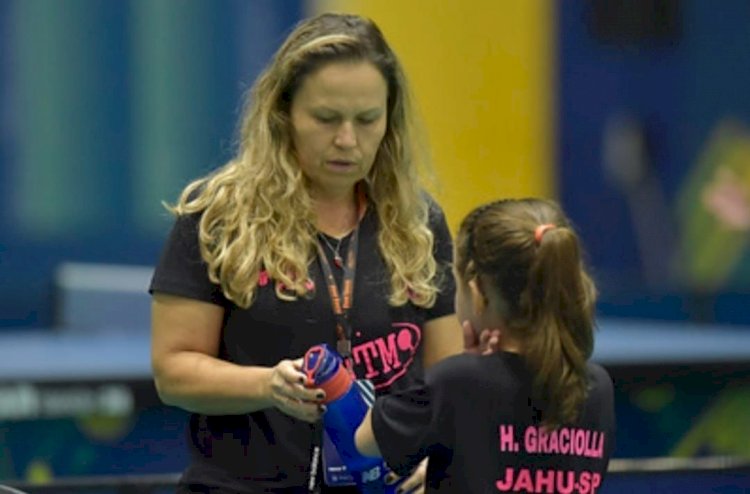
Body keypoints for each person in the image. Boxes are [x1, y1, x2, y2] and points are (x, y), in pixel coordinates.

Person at [148, 12, 464, 494]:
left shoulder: (419, 224)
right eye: (325, 118)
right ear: (284, 114)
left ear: (389, 119)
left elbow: (449, 381)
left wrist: (440, 459)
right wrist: (266, 386)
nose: (346, 140)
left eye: (366, 120)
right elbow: (173, 373)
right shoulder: (217, 217)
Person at [355, 198, 616, 493]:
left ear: (477, 294)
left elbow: (365, 439)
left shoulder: (456, 382)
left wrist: (467, 368)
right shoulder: (597, 387)